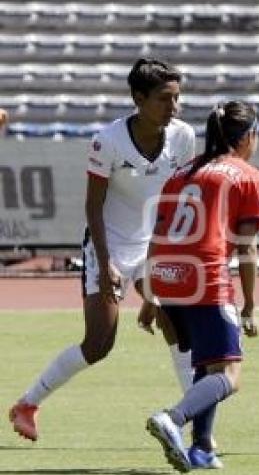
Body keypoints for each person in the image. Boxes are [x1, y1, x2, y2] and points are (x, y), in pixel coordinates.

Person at [8, 58, 196, 442]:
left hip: (153, 245)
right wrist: (108, 264)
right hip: (106, 244)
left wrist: (167, 259)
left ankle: (195, 417)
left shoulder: (183, 136)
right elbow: (93, 206)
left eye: (177, 98)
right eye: (164, 99)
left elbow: (178, 200)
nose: (174, 107)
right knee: (98, 344)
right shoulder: (107, 141)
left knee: (178, 321)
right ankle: (27, 403)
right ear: (138, 98)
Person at [141, 101, 259, 472]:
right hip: (205, 277)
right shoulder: (245, 175)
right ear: (248, 137)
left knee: (206, 364)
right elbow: (247, 247)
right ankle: (173, 418)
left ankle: (201, 450)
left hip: (167, 276)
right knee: (228, 374)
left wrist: (149, 296)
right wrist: (250, 304)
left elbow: (156, 234)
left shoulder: (180, 173)